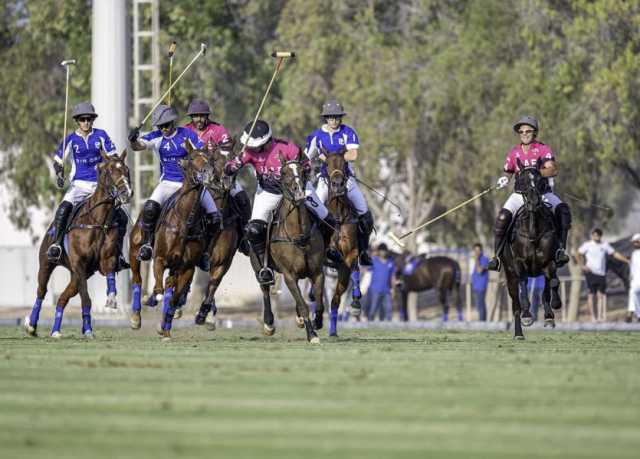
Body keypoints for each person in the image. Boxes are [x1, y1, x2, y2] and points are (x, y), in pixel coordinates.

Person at [224, 120, 339, 285]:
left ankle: (328, 251)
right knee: (253, 230)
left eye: (256, 145)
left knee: (327, 219)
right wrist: (232, 166)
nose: (253, 148)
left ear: (267, 140)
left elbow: (306, 165)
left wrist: (298, 182)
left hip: (298, 190)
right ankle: (265, 267)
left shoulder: (288, 148)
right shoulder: (248, 152)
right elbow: (230, 167)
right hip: (268, 193)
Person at [128, 105, 220, 268]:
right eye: (160, 126)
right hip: (168, 183)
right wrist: (133, 139)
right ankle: (148, 244)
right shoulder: (156, 137)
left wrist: (191, 160)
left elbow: (202, 153)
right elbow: (137, 147)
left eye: (166, 125)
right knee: (150, 208)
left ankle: (205, 252)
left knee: (214, 216)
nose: (164, 129)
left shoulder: (186, 135)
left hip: (191, 185)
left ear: (173, 122)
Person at [48, 101, 129, 271]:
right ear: (77, 120)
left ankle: (119, 254)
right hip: (79, 185)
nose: (86, 122)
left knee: (121, 216)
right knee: (63, 209)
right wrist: (60, 173)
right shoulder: (70, 139)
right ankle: (57, 245)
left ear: (93, 120)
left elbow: (113, 156)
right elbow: (58, 161)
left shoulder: (101, 135)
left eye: (89, 119)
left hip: (100, 186)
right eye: (82, 119)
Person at [488, 116, 572, 271]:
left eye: (528, 131)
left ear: (535, 133)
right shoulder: (514, 152)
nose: (524, 134)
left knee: (563, 211)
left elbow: (552, 169)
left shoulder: (542, 149)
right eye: (521, 131)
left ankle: (560, 250)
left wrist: (536, 173)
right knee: (502, 217)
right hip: (520, 195)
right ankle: (497, 257)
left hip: (542, 193)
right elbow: (508, 172)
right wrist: (504, 179)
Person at [304, 100, 374, 266]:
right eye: (330, 117)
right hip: (324, 181)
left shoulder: (347, 132)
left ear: (340, 118)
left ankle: (363, 251)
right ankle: (311, 248)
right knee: (313, 211)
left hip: (346, 180)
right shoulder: (316, 136)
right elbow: (307, 156)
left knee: (364, 213)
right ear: (325, 118)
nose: (333, 121)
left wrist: (333, 158)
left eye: (336, 117)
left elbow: (354, 154)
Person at [183, 99, 252, 254]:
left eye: (202, 116)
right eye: (195, 116)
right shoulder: (185, 131)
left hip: (219, 175)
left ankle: (244, 237)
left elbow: (227, 150)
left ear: (207, 116)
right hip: (196, 178)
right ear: (191, 117)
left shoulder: (219, 130)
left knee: (242, 198)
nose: (199, 119)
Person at [577, 228, 629, 321]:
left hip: (601, 273)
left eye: (598, 235)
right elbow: (578, 253)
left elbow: (614, 254)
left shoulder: (604, 245)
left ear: (600, 236)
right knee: (591, 295)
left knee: (601, 295)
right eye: (594, 235)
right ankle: (593, 317)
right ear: (592, 236)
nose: (596, 237)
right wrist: (582, 266)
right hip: (590, 272)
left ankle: (601, 317)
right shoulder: (587, 245)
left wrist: (626, 260)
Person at [366, 243, 396, 321]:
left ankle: (388, 327)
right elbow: (366, 268)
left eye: (384, 251)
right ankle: (369, 324)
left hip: (387, 290)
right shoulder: (373, 260)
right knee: (373, 309)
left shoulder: (390, 262)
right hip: (375, 290)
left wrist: (393, 289)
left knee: (388, 310)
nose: (383, 252)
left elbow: (393, 277)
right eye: (381, 251)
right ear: (378, 251)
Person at [470, 243, 489, 321]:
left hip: (481, 286)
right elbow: (471, 272)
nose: (477, 252)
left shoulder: (485, 259)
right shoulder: (472, 259)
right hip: (475, 285)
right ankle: (482, 321)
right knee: (478, 306)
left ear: (481, 251)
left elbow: (479, 271)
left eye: (478, 250)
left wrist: (477, 259)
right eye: (475, 250)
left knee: (481, 305)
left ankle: (482, 322)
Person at [627, 233, 640, 322]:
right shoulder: (634, 253)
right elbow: (633, 268)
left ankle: (631, 315)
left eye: (637, 242)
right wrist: (631, 277)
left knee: (633, 294)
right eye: (634, 242)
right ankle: (637, 315)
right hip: (635, 279)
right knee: (633, 294)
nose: (635, 244)